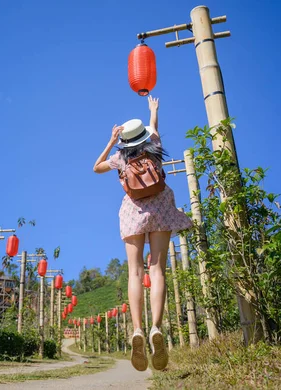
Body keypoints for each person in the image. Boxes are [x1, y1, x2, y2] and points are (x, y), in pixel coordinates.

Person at [93, 96, 192, 371]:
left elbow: (95, 167)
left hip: (132, 213)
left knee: (135, 272)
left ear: (125, 141)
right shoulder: (156, 146)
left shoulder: (119, 157)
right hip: (160, 208)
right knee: (157, 269)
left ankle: (137, 329)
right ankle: (156, 328)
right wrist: (153, 111)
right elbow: (153, 127)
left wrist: (112, 141)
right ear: (144, 137)